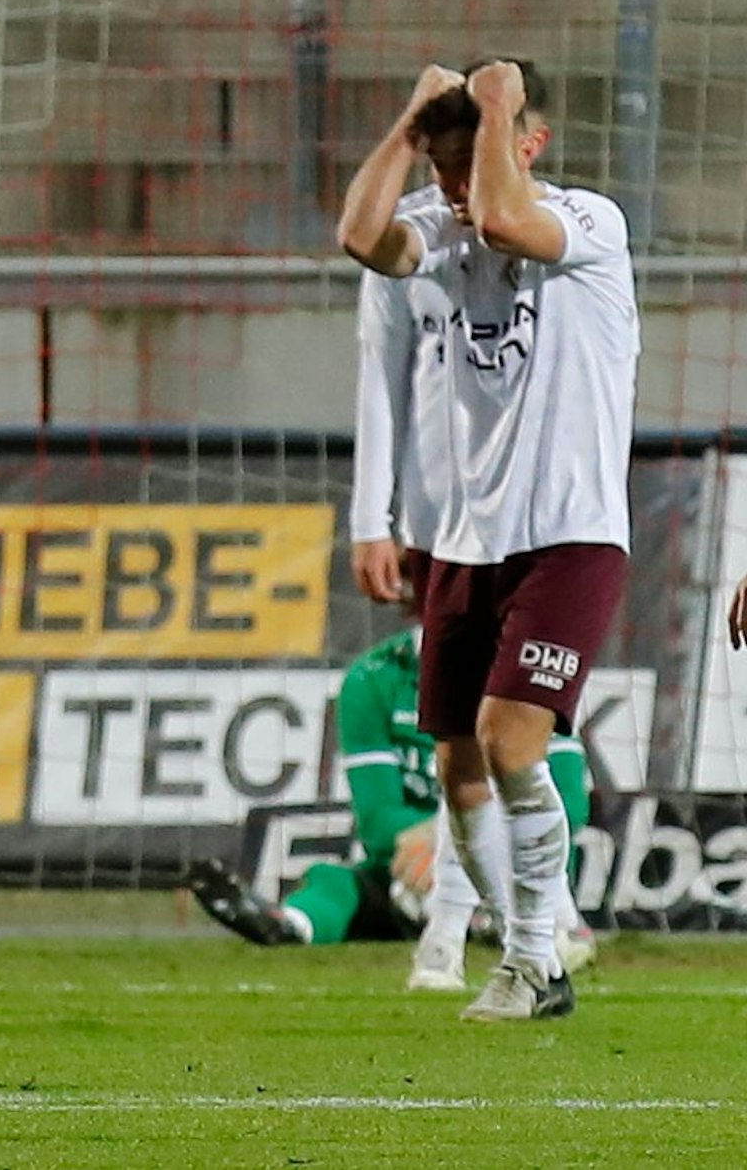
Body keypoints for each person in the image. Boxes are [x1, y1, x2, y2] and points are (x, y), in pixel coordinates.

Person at [335, 57, 639, 1021]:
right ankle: (523, 946)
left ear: (528, 145)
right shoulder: (438, 231)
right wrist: (407, 129)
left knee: (514, 740)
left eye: (471, 166)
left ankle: (539, 955)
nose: (454, 191)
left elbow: (512, 219)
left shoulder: (590, 223)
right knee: (458, 759)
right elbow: (357, 236)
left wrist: (499, 102)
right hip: (467, 538)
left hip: (571, 531)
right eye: (442, 171)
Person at [187, 616, 595, 989]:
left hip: (514, 865)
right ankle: (289, 925)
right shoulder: (374, 677)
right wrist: (436, 843)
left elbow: (570, 808)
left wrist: (449, 837)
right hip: (410, 866)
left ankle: (529, 928)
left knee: (515, 871)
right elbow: (378, 821)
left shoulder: (535, 675)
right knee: (336, 882)